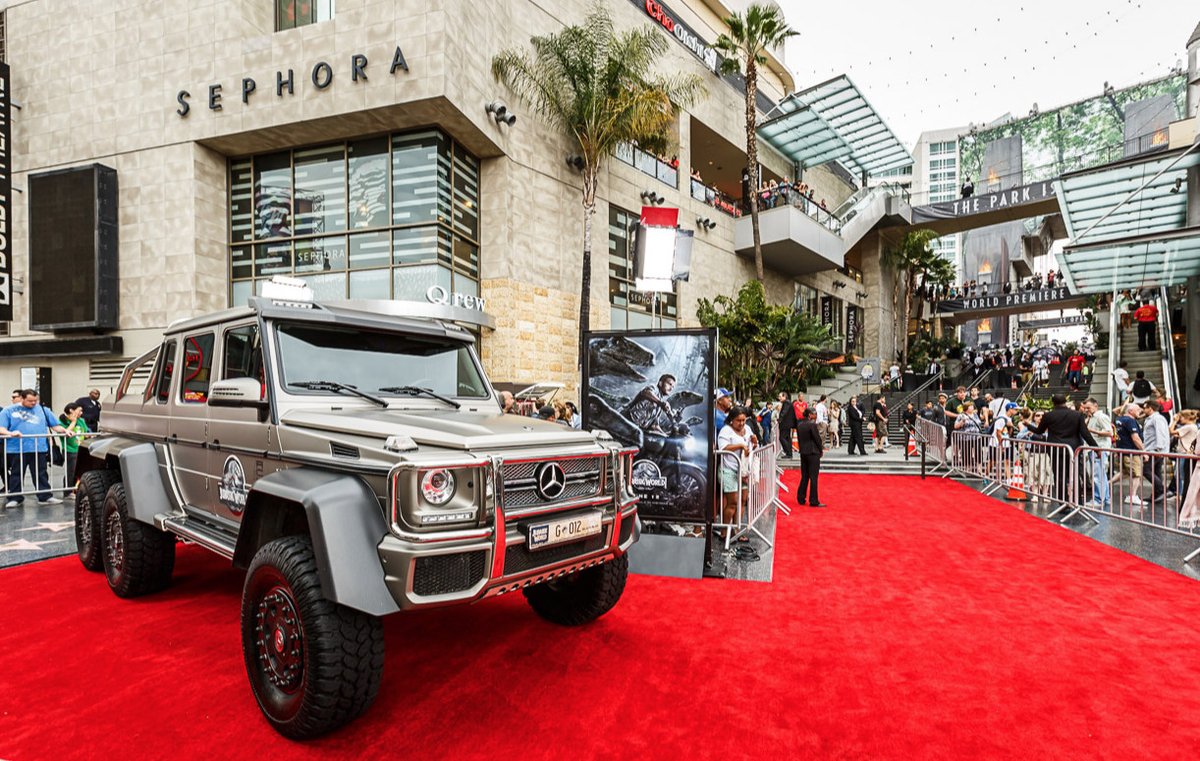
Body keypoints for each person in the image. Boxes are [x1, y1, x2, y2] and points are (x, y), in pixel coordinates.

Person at [0, 389, 69, 508]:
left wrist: (65, 431)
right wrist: (11, 433)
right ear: (22, 398)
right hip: (17, 448)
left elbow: (55, 425)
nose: (33, 403)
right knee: (16, 473)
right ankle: (15, 497)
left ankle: (45, 496)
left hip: (38, 447)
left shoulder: (42, 409)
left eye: (35, 400)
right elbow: (1, 428)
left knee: (41, 473)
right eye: (30, 401)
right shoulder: (8, 411)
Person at [1032, 394, 1099, 506]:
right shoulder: (1077, 415)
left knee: (1059, 477)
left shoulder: (1049, 415)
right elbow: (1085, 434)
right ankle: (1078, 501)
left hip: (1056, 450)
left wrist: (1028, 426)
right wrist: (1096, 449)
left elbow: (1039, 431)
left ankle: (1062, 502)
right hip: (1073, 449)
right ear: (1065, 401)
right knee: (1075, 475)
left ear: (1053, 403)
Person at [717, 406, 757, 527]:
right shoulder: (726, 430)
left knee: (743, 500)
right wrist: (740, 445)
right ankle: (725, 531)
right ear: (731, 420)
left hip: (743, 471)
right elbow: (723, 447)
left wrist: (754, 442)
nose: (741, 423)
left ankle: (736, 530)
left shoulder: (748, 428)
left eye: (744, 420)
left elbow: (752, 447)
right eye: (738, 420)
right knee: (732, 502)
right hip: (729, 470)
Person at [1112, 403, 1147, 506]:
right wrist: (1144, 452)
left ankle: (1106, 485)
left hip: (1123, 451)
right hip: (1132, 451)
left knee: (1125, 472)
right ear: (1130, 411)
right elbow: (1135, 438)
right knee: (1136, 474)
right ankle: (1132, 496)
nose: (1139, 412)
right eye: (1137, 410)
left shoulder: (1119, 419)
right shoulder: (1130, 421)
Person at [1082, 398, 1113, 509]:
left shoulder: (1101, 417)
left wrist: (1091, 431)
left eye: (1088, 408)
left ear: (1096, 406)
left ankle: (1098, 499)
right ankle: (1106, 498)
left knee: (1097, 475)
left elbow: (1109, 433)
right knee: (1101, 474)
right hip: (1095, 449)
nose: (1086, 410)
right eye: (1085, 408)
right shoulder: (1091, 418)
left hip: (1099, 448)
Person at [794, 408, 825, 507]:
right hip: (813, 452)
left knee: (805, 476)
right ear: (810, 415)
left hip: (803, 452)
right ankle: (813, 500)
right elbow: (817, 439)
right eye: (814, 414)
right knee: (813, 477)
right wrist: (820, 450)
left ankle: (801, 497)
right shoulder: (812, 425)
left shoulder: (799, 424)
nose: (816, 416)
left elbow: (799, 439)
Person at [1140, 400, 1169, 501]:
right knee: (1156, 472)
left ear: (1150, 408)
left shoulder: (1157, 418)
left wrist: (1159, 449)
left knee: (1146, 471)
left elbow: (1160, 433)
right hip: (1153, 449)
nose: (1143, 410)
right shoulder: (1154, 418)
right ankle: (1156, 495)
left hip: (1154, 450)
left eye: (1145, 408)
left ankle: (1162, 490)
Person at [59, 403, 90, 489]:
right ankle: (68, 490)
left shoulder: (81, 420)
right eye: (79, 410)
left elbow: (86, 433)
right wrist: (73, 421)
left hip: (81, 449)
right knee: (71, 471)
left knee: (81, 471)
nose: (81, 413)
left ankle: (77, 489)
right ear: (71, 411)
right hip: (70, 450)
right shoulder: (62, 421)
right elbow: (66, 432)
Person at [776, 391, 796, 460]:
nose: (779, 398)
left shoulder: (786, 403)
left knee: (782, 438)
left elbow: (784, 412)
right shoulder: (787, 402)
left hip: (785, 424)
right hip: (787, 424)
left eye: (780, 397)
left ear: (784, 396)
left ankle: (788, 452)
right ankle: (789, 453)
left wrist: (780, 419)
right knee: (787, 438)